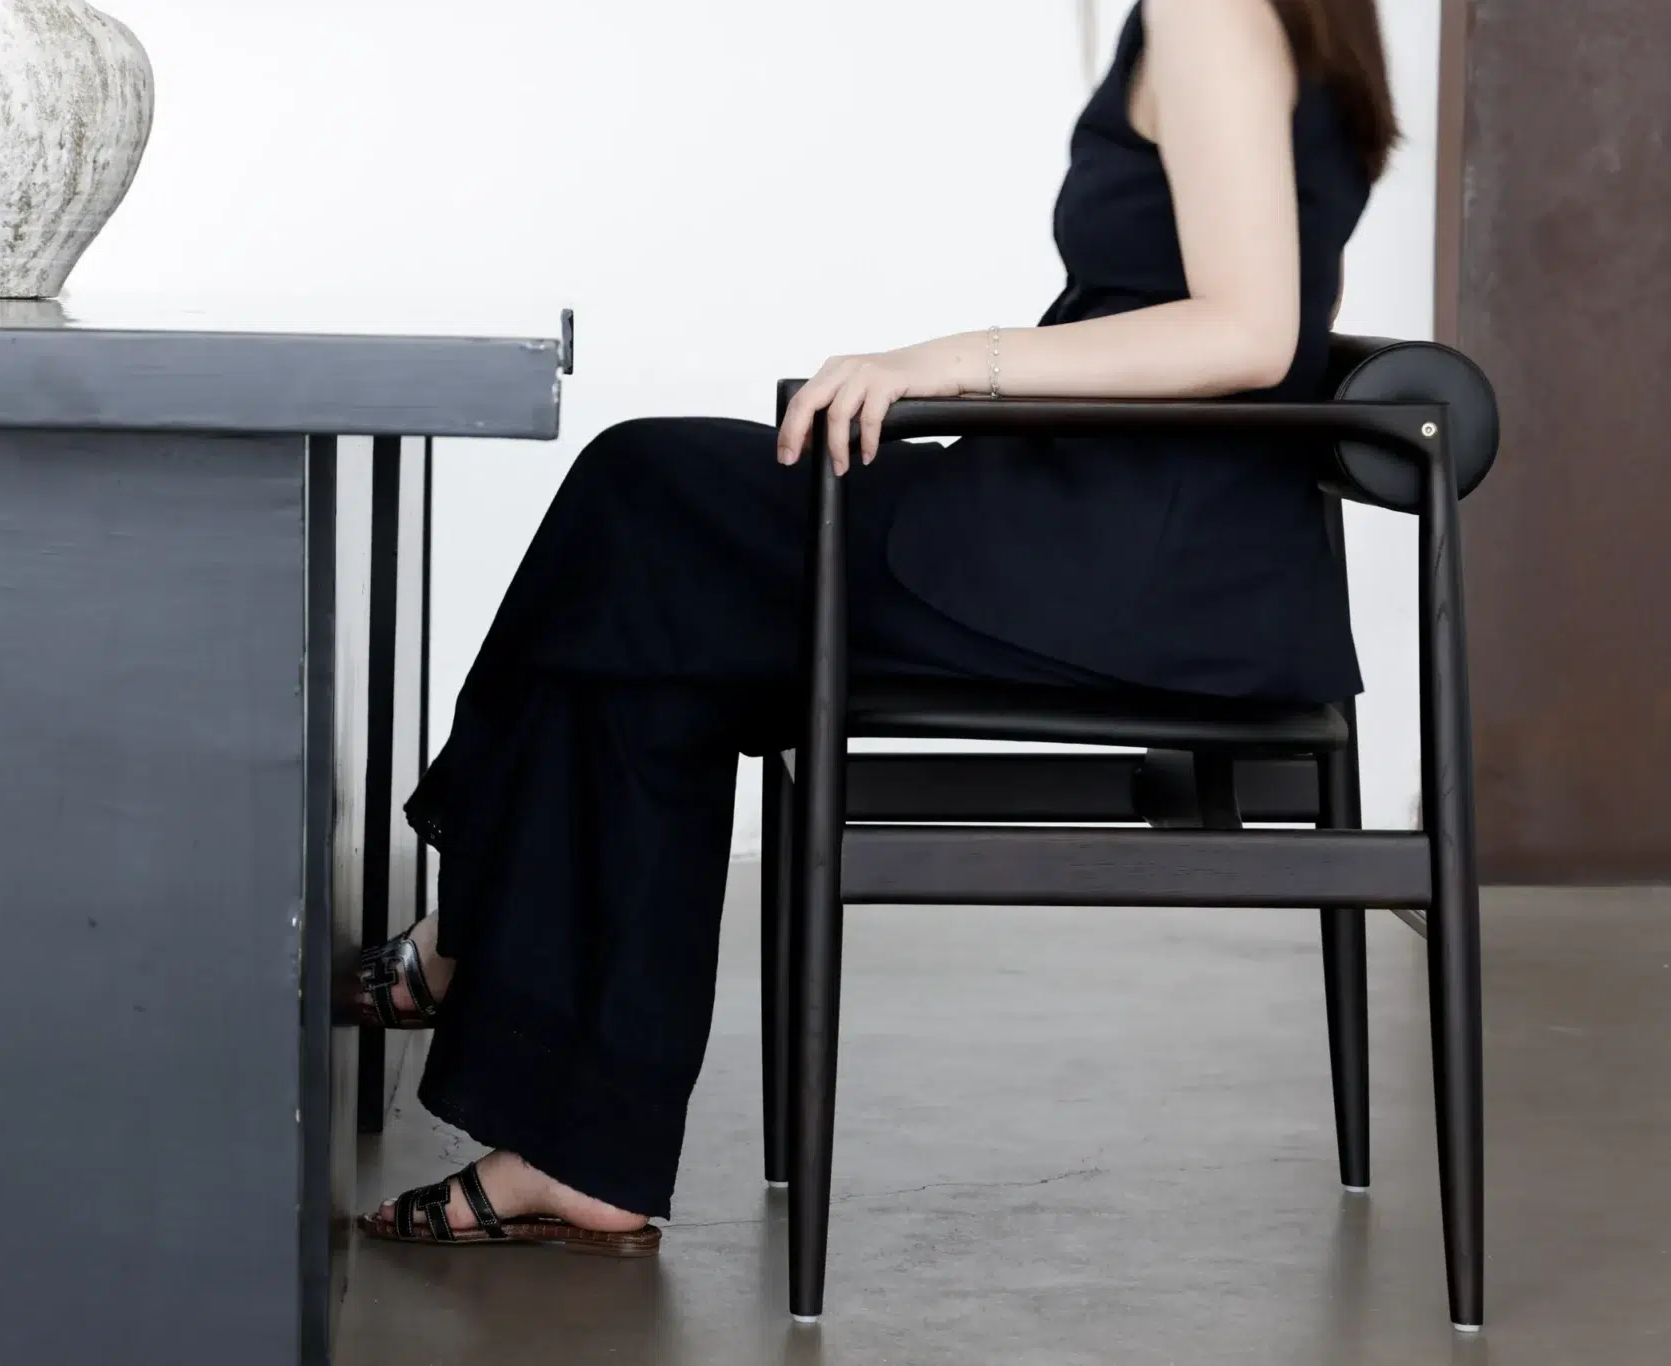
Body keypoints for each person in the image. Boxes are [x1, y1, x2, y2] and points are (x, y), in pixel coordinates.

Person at [352, 0, 1399, 1254]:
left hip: (1116, 565)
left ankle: (473, 937)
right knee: (651, 612)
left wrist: (941, 361)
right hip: (1113, 541)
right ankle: (577, 1147)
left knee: (641, 499)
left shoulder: (1212, 9)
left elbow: (1246, 331)